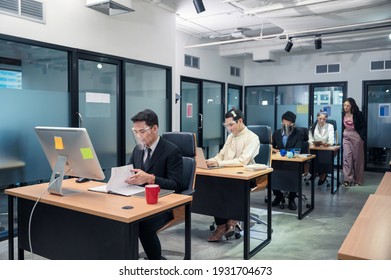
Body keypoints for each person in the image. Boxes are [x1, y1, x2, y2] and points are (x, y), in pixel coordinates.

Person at [125, 109, 183, 259]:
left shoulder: (171, 151)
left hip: (163, 204)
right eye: (135, 132)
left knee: (143, 226)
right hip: (139, 199)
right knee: (120, 219)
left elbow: (176, 184)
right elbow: (130, 171)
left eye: (142, 131)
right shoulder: (137, 150)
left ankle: (155, 262)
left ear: (155, 128)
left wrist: (151, 179)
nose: (139, 136)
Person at [206, 109, 260, 242]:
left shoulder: (252, 137)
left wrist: (219, 162)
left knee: (228, 188)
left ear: (240, 121)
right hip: (227, 173)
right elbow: (221, 154)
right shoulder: (231, 137)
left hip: (246, 176)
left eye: (231, 125)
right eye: (227, 125)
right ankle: (222, 224)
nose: (229, 128)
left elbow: (243, 161)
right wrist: (212, 160)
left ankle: (231, 220)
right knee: (212, 187)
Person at [271, 111, 307, 210]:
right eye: (284, 123)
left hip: (293, 162)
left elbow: (297, 149)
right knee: (271, 172)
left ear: (293, 124)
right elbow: (272, 146)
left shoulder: (299, 133)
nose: (286, 125)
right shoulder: (277, 133)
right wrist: (272, 149)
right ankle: (278, 195)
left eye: (288, 124)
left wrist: (279, 150)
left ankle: (291, 198)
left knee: (294, 173)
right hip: (278, 161)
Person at [342, 97, 365, 186]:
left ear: (352, 106)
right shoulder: (343, 114)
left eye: (348, 106)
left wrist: (361, 137)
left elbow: (363, 125)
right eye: (344, 105)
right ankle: (348, 180)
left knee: (357, 159)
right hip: (346, 136)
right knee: (346, 157)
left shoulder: (358, 114)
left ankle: (358, 180)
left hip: (356, 136)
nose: (346, 107)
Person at [308, 110, 335, 185]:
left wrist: (328, 144)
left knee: (323, 155)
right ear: (317, 118)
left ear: (326, 119)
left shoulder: (330, 126)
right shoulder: (312, 126)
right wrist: (313, 143)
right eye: (320, 118)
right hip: (315, 148)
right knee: (313, 154)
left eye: (324, 119)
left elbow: (332, 140)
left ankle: (323, 173)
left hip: (325, 149)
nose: (322, 120)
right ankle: (314, 172)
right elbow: (310, 139)